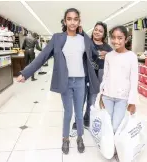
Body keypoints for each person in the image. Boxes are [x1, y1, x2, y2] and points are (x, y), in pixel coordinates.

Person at [17, 8, 100, 155]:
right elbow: (42, 56)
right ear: (64, 21)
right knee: (68, 112)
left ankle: (80, 137)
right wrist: (27, 73)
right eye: (69, 19)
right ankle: (65, 139)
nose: (72, 22)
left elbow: (94, 52)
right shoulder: (57, 38)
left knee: (79, 114)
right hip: (65, 82)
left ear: (79, 21)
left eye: (75, 19)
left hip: (81, 81)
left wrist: (83, 33)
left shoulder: (83, 39)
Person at [70, 21, 112, 137]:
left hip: (97, 78)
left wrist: (108, 56)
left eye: (100, 31)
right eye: (96, 29)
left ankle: (87, 121)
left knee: (91, 102)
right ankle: (76, 124)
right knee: (80, 102)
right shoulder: (86, 42)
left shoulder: (107, 48)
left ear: (104, 34)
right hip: (83, 76)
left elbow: (113, 62)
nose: (97, 32)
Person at [100, 26, 139, 133]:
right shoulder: (108, 56)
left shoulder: (132, 56)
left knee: (116, 125)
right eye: (113, 37)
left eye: (120, 38)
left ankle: (116, 147)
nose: (116, 41)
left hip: (122, 98)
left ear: (126, 39)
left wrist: (133, 101)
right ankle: (110, 148)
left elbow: (134, 80)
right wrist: (101, 95)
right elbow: (105, 77)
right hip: (107, 96)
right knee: (107, 124)